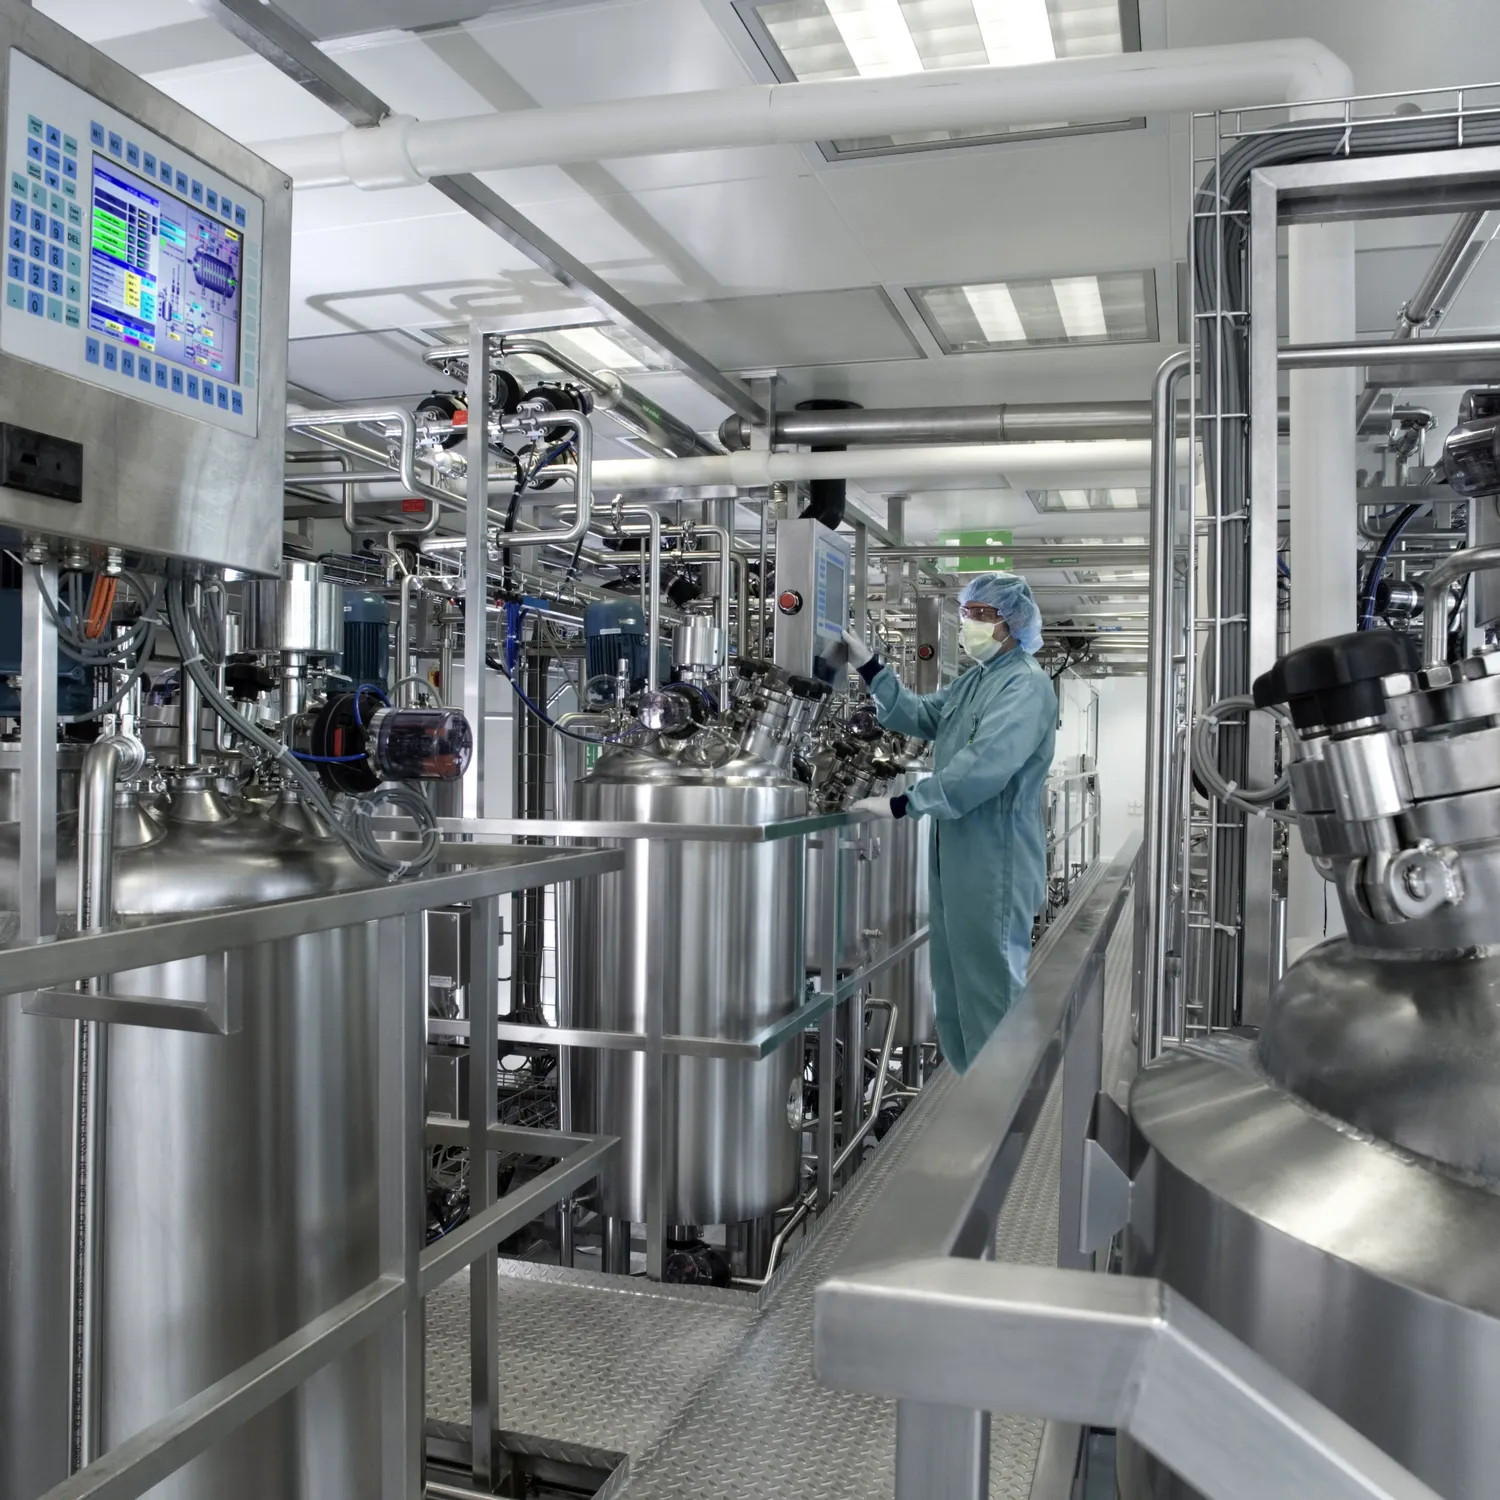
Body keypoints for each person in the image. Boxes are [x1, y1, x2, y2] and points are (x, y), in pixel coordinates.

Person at [842, 572, 1056, 1074]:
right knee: (954, 983)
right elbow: (920, 714)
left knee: (991, 986)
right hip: (955, 853)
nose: (969, 623)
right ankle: (971, 1090)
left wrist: (904, 803)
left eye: (981, 615)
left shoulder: (1025, 685)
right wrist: (870, 667)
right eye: (966, 613)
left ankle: (1006, 1099)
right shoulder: (976, 680)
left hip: (995, 857)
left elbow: (985, 765)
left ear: (1012, 622)